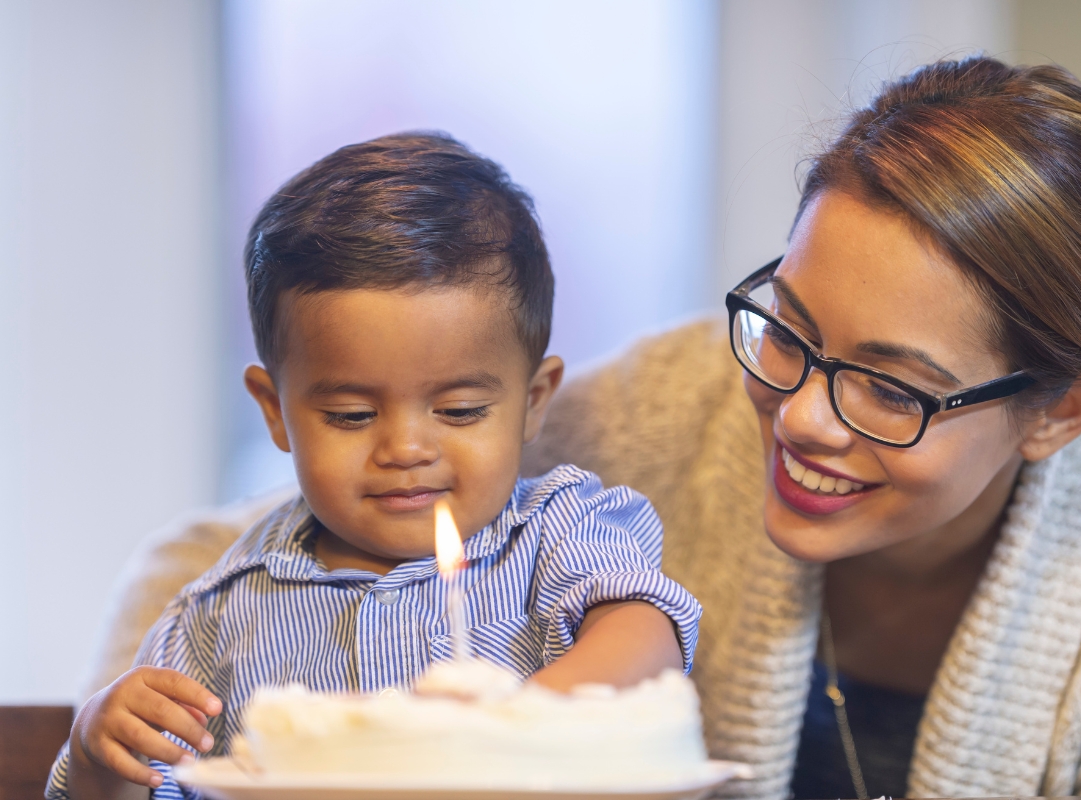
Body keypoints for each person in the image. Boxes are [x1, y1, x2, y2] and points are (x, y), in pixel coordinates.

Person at [66, 56, 1081, 800]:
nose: (796, 415)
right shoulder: (676, 410)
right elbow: (279, 538)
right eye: (789, 331)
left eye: (892, 388)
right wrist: (115, 725)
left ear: (1060, 409)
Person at [48, 132, 700, 800]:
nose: (406, 449)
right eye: (353, 417)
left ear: (533, 402)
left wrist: (511, 731)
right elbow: (148, 783)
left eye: (461, 410)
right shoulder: (221, 611)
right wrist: (101, 758)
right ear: (275, 411)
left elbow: (646, 639)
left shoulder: (561, 532)